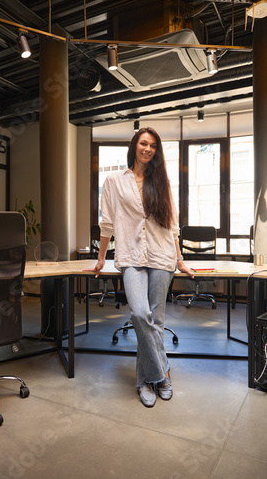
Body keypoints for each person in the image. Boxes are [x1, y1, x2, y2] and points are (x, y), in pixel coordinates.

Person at [87, 127, 193, 408]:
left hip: (162, 256)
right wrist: (100, 258)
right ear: (135, 145)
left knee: (157, 321)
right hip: (130, 257)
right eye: (144, 143)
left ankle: (145, 381)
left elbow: (172, 225)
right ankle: (162, 373)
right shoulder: (114, 180)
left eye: (153, 146)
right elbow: (107, 222)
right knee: (140, 313)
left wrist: (180, 258)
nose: (148, 149)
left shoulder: (161, 182)